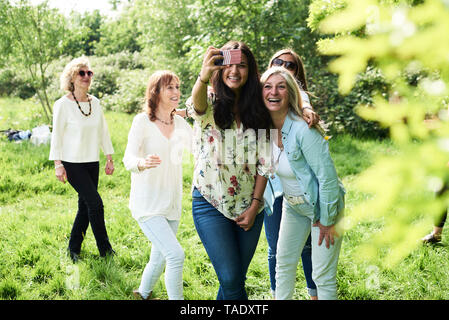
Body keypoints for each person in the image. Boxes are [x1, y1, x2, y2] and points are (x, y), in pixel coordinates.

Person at [186, 41, 272, 300]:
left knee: (233, 280)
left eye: (242, 65)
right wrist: (203, 74)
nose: (235, 71)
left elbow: (265, 163)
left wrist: (255, 205)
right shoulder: (210, 99)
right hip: (210, 202)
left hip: (250, 208)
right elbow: (197, 107)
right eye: (229, 64)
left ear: (251, 70)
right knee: (232, 278)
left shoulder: (260, 106)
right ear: (219, 68)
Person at [261, 66, 345, 300]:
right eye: (267, 86)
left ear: (290, 93)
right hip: (293, 207)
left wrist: (327, 220)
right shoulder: (263, 130)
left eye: (281, 87)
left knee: (322, 277)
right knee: (283, 264)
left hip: (324, 208)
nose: (273, 92)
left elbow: (328, 179)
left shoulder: (303, 129)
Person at [123, 70, 192, 300]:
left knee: (160, 256)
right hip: (148, 205)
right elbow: (128, 158)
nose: (176, 92)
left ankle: (142, 293)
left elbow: (201, 149)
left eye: (177, 86)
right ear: (156, 92)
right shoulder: (142, 121)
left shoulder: (181, 123)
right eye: (169, 87)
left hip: (172, 203)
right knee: (175, 255)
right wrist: (142, 163)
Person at [263, 48, 320, 299]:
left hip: (298, 186)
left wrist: (306, 110)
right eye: (278, 62)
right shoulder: (263, 93)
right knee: (276, 248)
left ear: (297, 73)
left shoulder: (300, 98)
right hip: (270, 184)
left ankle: (314, 293)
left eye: (291, 65)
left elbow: (304, 102)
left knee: (307, 246)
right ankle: (279, 293)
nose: (284, 66)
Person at [49, 56, 115, 263]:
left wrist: (109, 157)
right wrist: (58, 164)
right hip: (71, 162)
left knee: (85, 206)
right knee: (95, 204)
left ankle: (73, 249)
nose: (86, 77)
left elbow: (103, 131)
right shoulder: (62, 105)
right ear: (71, 77)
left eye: (89, 73)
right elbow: (56, 135)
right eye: (81, 73)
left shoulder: (95, 102)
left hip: (91, 161)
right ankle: (105, 250)